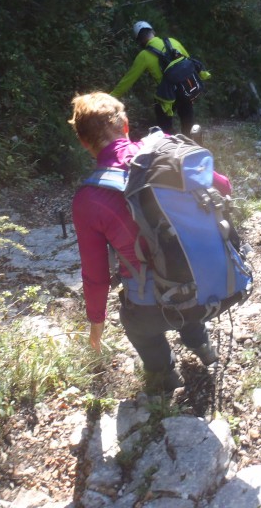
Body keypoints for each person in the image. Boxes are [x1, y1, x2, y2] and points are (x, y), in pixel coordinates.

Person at [69, 92, 228, 393]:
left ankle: (165, 373)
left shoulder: (89, 199)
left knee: (138, 327)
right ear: (126, 125)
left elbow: (96, 275)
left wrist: (96, 326)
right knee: (181, 279)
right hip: (206, 285)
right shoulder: (167, 150)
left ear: (84, 142)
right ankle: (202, 345)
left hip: (150, 308)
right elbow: (224, 186)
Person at [111, 20, 207, 135]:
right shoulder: (173, 42)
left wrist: (109, 97)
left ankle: (170, 143)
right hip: (185, 89)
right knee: (188, 119)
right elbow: (188, 61)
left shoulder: (144, 55)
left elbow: (127, 81)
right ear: (153, 32)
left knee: (164, 124)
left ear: (140, 41)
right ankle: (193, 145)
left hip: (167, 96)